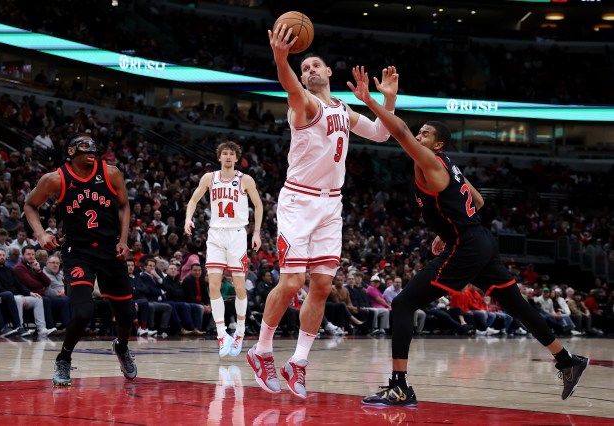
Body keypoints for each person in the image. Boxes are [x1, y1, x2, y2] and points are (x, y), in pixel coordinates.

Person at [348, 66, 589, 406]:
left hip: (468, 245)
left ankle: (399, 385)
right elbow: (477, 200)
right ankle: (567, 361)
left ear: (438, 144)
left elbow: (398, 130)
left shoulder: (431, 162)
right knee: (515, 306)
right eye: (420, 132)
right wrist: (448, 230)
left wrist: (374, 101)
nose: (418, 137)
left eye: (426, 134)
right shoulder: (448, 163)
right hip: (478, 241)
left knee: (403, 303)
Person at [246, 24, 398, 399]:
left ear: (329, 72)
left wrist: (387, 99)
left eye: (316, 65)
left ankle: (298, 362)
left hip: (332, 203)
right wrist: (282, 59)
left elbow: (381, 133)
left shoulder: (343, 109)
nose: (311, 69)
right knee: (293, 282)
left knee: (324, 285)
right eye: (306, 67)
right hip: (299, 200)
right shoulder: (305, 104)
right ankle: (261, 349)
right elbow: (289, 86)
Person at [24, 133, 137, 386]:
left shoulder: (111, 173)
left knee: (127, 316)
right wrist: (41, 234)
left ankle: (121, 347)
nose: (92, 153)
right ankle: (63, 359)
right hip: (78, 252)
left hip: (110, 250)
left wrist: (123, 239)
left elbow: (124, 205)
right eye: (85, 149)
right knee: (84, 312)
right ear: (71, 152)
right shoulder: (55, 179)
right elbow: (30, 205)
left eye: (94, 149)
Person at [185, 141, 263, 357]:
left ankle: (239, 331)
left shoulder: (245, 179)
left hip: (237, 234)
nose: (228, 157)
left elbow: (259, 205)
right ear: (219, 157)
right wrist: (188, 218)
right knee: (213, 285)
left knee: (239, 286)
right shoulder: (209, 178)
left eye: (231, 154)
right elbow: (193, 199)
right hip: (216, 234)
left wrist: (256, 233)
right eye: (224, 154)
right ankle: (221, 334)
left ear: (236, 158)